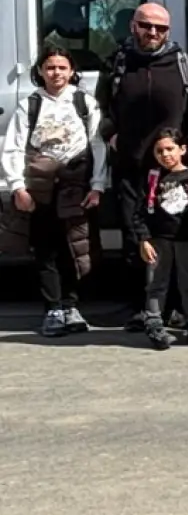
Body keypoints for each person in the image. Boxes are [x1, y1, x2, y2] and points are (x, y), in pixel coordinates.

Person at [98, 2, 188, 328]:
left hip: (173, 172)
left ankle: (174, 307)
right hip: (132, 168)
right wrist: (111, 135)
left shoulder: (187, 66)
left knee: (173, 237)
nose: (153, 33)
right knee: (136, 238)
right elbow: (100, 107)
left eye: (161, 28)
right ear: (134, 26)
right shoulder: (117, 64)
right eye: (147, 26)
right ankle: (142, 307)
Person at [1, 46, 109, 337]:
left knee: (73, 250)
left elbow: (97, 144)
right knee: (45, 250)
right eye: (50, 67)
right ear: (40, 71)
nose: (56, 73)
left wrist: (97, 185)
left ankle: (72, 306)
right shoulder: (30, 105)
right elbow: (12, 146)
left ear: (72, 71)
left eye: (62, 67)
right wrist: (17, 187)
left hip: (76, 187)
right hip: (40, 189)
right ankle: (52, 309)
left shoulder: (84, 102)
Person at [128, 129, 188, 349]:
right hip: (158, 240)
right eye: (159, 151)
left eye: (170, 149)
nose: (165, 154)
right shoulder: (152, 178)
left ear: (182, 149)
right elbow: (139, 211)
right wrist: (144, 239)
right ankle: (155, 326)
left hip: (187, 240)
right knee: (156, 284)